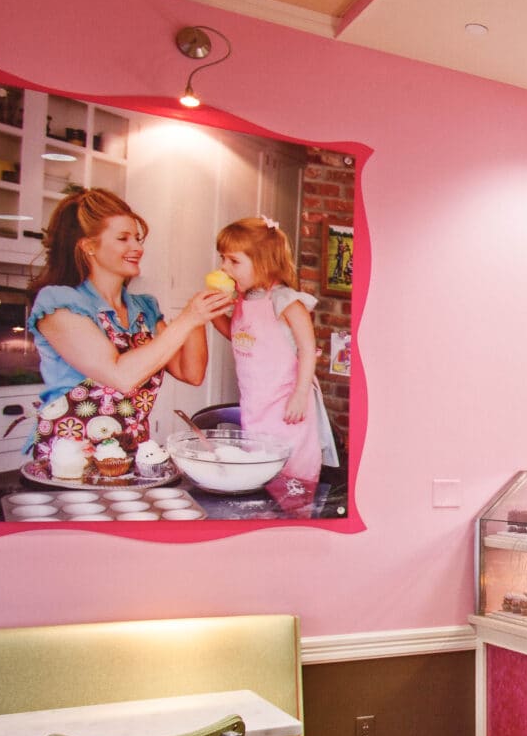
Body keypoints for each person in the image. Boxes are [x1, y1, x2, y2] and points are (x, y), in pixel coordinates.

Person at [27, 189, 230, 478]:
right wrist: (188, 319)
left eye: (138, 238)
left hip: (132, 456)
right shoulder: (59, 303)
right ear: (89, 246)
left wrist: (199, 314)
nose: (137, 247)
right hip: (70, 461)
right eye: (123, 238)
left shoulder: (143, 308)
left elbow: (191, 372)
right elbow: (120, 375)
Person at [210, 216, 338, 511]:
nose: (224, 268)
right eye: (222, 259)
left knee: (292, 473)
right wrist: (212, 311)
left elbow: (308, 349)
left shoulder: (287, 301)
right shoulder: (244, 300)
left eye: (233, 261)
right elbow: (237, 336)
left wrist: (300, 394)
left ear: (264, 262)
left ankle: (297, 518)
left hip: (287, 406)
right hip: (257, 405)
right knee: (262, 473)